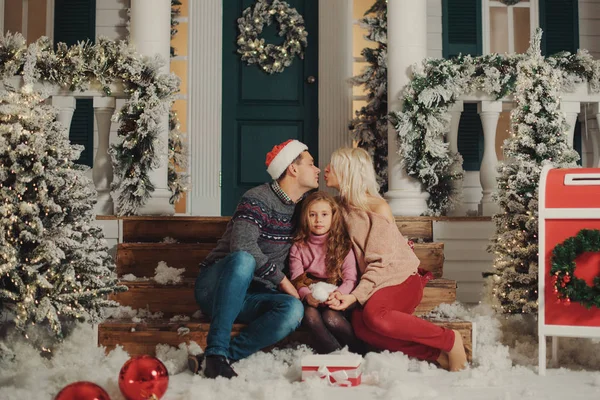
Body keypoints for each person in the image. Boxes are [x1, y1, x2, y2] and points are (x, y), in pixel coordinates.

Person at [323, 147, 468, 371]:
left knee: (374, 316)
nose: (326, 169)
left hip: (400, 279)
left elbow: (382, 263)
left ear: (346, 170)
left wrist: (353, 297)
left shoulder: (376, 207)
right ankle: (435, 355)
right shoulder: (338, 207)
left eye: (332, 165)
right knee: (361, 327)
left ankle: (449, 339)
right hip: (374, 284)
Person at [190, 139, 320, 379]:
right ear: (293, 168)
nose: (318, 170)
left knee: (292, 309)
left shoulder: (303, 209)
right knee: (244, 260)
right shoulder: (257, 198)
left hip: (253, 295)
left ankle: (221, 358)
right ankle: (216, 351)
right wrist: (283, 282)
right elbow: (243, 245)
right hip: (216, 287)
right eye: (311, 164)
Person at [288, 191, 363, 354]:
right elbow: (296, 278)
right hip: (312, 295)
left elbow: (351, 279)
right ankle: (335, 353)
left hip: (336, 296)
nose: (318, 220)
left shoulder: (343, 245)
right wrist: (307, 295)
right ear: (305, 217)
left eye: (324, 214)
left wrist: (338, 295)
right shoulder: (299, 247)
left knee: (331, 318)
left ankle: (359, 351)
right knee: (309, 315)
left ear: (333, 217)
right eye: (312, 214)